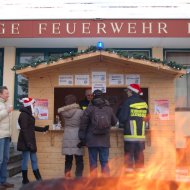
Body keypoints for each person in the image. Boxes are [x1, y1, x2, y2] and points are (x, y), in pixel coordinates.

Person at [79, 89, 117, 177]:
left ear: (94, 96)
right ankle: (106, 184)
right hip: (104, 141)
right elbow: (114, 122)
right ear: (102, 96)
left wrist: (82, 137)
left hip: (92, 141)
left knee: (93, 163)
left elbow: (83, 125)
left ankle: (94, 184)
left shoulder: (89, 109)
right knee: (104, 162)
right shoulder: (109, 109)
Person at [117, 84, 150, 172]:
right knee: (139, 157)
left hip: (130, 135)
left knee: (128, 158)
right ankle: (140, 179)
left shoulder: (128, 102)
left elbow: (122, 118)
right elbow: (147, 118)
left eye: (128, 91)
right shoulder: (144, 103)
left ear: (131, 92)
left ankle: (129, 179)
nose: (127, 93)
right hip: (140, 136)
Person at [17, 97, 49, 184]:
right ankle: (25, 180)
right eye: (33, 103)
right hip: (26, 142)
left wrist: (43, 129)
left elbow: (31, 127)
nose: (34, 105)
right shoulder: (24, 115)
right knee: (25, 160)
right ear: (29, 105)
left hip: (30, 141)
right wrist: (28, 143)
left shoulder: (28, 114)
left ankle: (39, 180)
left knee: (34, 160)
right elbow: (24, 129)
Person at [58, 94, 84, 178]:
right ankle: (78, 179)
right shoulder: (80, 111)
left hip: (67, 135)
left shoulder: (63, 112)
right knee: (79, 160)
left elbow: (62, 124)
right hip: (77, 136)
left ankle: (67, 179)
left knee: (68, 160)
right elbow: (84, 124)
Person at [0, 86, 14, 190]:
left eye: (8, 93)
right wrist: (7, 111)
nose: (8, 95)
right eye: (6, 93)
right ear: (0, 94)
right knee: (0, 160)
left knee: (5, 159)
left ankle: (3, 181)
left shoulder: (5, 104)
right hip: (0, 137)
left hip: (6, 136)